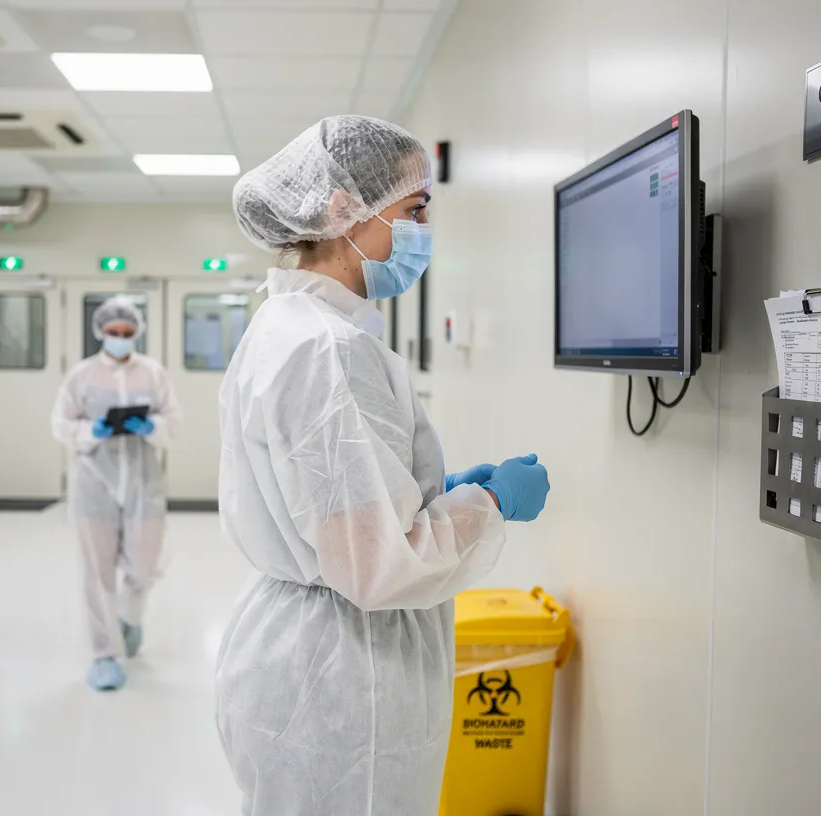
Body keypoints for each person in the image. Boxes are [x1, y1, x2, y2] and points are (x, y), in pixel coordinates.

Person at [214, 115, 552, 815]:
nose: (424, 231)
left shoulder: (286, 327)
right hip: (342, 678)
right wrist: (490, 505)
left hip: (301, 653)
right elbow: (379, 569)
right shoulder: (330, 349)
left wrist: (430, 496)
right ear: (343, 210)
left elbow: (328, 503)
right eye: (414, 209)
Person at [51, 296, 180, 692]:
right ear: (101, 332)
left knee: (144, 565)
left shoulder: (153, 373)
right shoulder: (82, 376)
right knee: (97, 571)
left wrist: (150, 426)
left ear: (136, 332)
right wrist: (93, 431)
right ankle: (104, 654)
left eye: (127, 333)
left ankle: (130, 618)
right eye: (113, 332)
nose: (120, 338)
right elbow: (61, 423)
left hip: (144, 481)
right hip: (95, 483)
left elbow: (173, 420)